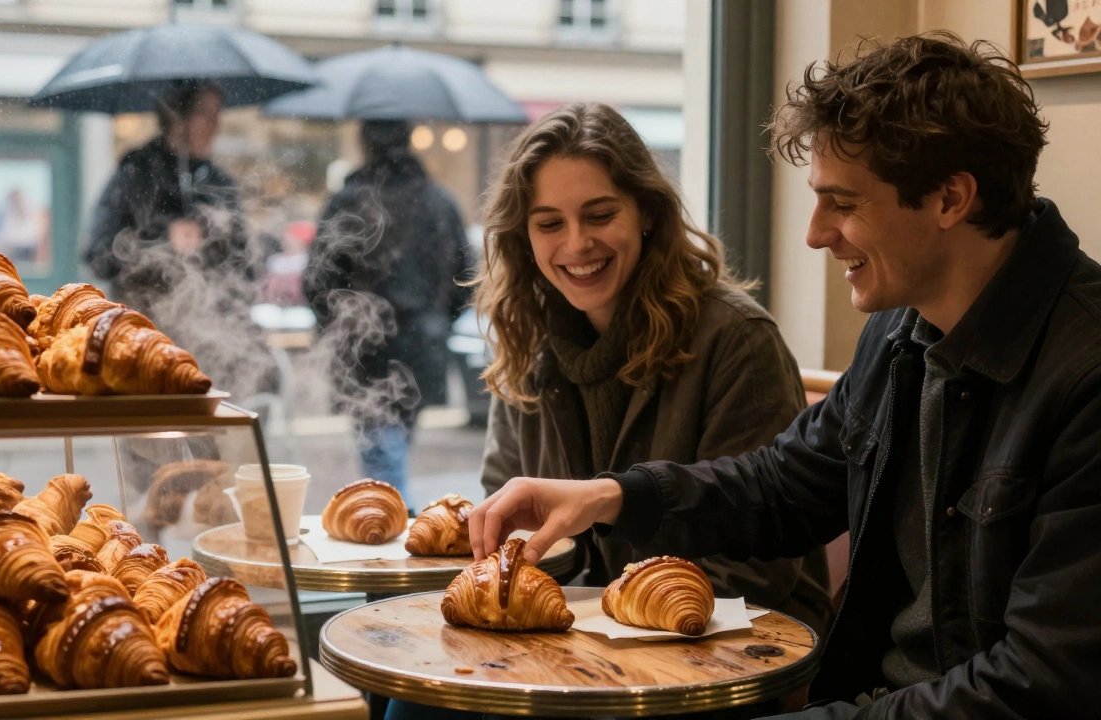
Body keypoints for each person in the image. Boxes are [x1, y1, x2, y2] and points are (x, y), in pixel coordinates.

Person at [469, 34, 1101, 719]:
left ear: (951, 199)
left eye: (844, 203)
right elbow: (782, 488)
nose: (814, 233)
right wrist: (610, 497)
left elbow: (1042, 683)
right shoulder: (902, 330)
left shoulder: (1084, 374)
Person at [385, 103, 832, 720]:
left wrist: (583, 615)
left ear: (647, 213)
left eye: (599, 215)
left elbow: (754, 569)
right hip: (574, 643)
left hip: (719, 656)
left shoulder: (734, 339)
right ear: (524, 237)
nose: (576, 244)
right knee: (412, 698)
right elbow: (504, 522)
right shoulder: (529, 343)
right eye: (549, 224)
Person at [304, 120, 472, 506]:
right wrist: (437, 320)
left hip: (365, 349)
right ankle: (392, 515)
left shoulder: (349, 200)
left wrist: (339, 324)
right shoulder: (438, 200)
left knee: (381, 456)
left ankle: (393, 521)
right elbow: (468, 278)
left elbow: (318, 280)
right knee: (393, 446)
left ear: (365, 144)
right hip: (422, 347)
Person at [84, 79, 252, 318]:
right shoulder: (137, 174)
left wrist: (209, 242)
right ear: (176, 116)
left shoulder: (221, 184)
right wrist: (162, 238)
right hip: (143, 327)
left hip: (211, 330)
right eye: (205, 114)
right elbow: (98, 255)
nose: (216, 126)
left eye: (218, 115)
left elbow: (244, 268)